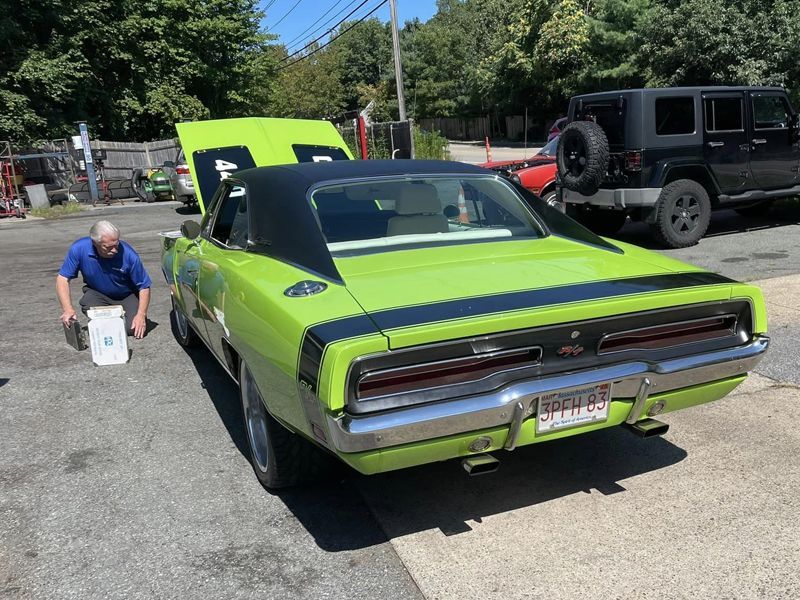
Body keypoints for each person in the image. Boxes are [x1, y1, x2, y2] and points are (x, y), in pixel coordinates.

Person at [56, 220, 152, 339]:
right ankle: (108, 320)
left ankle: (113, 319)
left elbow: (144, 286)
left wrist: (141, 314)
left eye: (116, 244)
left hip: (126, 295)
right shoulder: (79, 248)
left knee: (131, 328)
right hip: (98, 294)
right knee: (89, 304)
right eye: (108, 247)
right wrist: (68, 309)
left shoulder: (129, 255)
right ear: (95, 243)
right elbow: (62, 279)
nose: (115, 250)